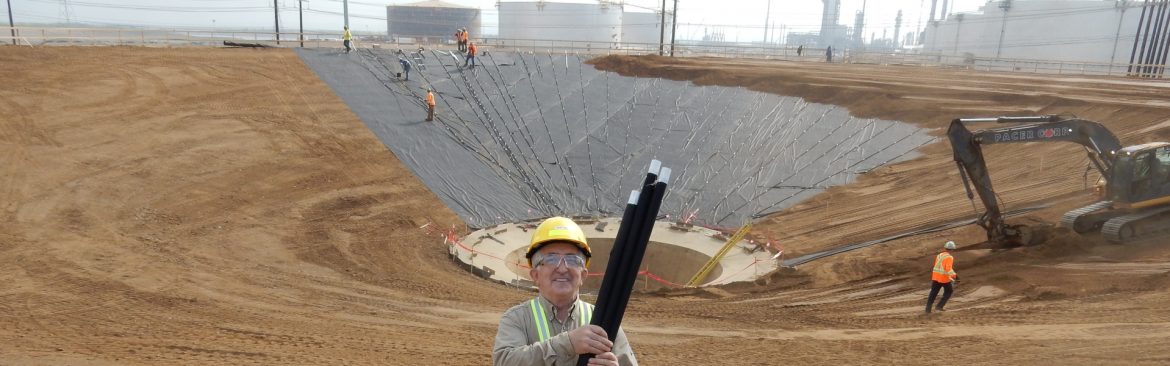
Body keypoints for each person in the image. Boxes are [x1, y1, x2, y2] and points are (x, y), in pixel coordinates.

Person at [492, 217, 637, 366]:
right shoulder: (517, 319)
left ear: (583, 275)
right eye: (551, 259)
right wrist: (568, 344)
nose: (562, 268)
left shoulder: (605, 322)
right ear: (535, 275)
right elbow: (505, 361)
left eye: (572, 260)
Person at [925, 240, 959, 314]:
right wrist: (955, 276)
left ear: (945, 248)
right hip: (944, 278)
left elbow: (938, 266)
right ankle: (939, 306)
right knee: (949, 291)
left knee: (933, 293)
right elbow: (948, 268)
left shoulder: (939, 255)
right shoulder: (950, 257)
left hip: (935, 277)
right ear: (952, 249)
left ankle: (928, 309)